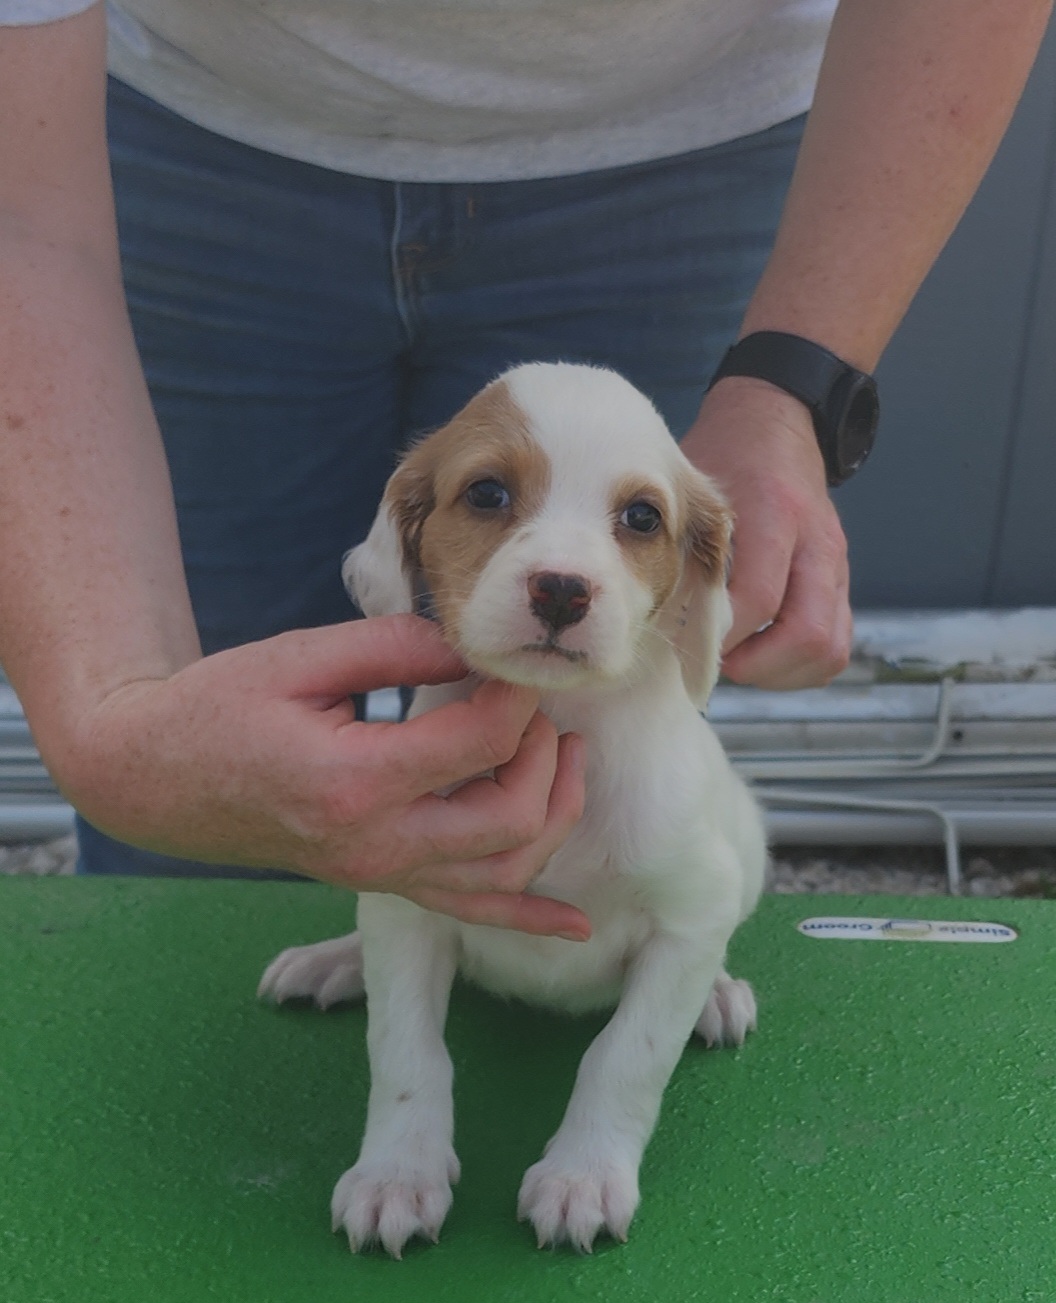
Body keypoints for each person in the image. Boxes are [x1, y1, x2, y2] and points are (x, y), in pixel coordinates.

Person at [0, 0, 1050, 936]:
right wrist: (110, 728)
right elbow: (22, 227)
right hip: (183, 127)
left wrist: (792, 385)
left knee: (599, 760)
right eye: (493, 498)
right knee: (193, 776)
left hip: (683, 138)